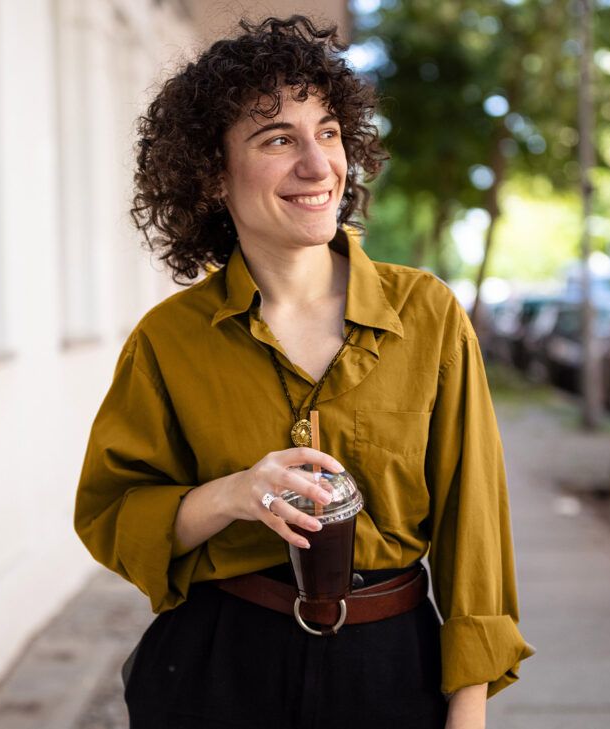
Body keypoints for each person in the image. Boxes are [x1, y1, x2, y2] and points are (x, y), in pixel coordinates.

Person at [74, 16, 531, 729]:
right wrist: (233, 494)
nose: (318, 166)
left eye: (327, 132)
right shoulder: (168, 340)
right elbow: (112, 515)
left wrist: (467, 710)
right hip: (218, 668)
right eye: (278, 139)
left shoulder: (428, 315)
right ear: (213, 175)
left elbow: (475, 529)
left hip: (392, 669)